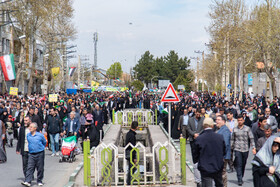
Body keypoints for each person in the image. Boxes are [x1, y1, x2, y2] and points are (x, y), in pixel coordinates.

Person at [193, 117, 225, 187]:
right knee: (219, 184)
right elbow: (224, 151)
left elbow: (195, 154)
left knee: (206, 184)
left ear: (203, 126)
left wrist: (198, 162)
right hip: (217, 166)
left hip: (205, 167)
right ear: (212, 126)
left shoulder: (199, 138)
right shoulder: (220, 137)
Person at [231, 114, 256, 186]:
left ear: (243, 120)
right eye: (238, 120)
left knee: (243, 163)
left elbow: (251, 138)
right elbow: (232, 139)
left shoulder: (247, 129)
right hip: (237, 148)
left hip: (245, 149)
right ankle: (239, 179)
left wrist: (253, 147)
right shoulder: (235, 129)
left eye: (241, 120)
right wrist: (231, 149)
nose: (239, 122)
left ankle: (241, 175)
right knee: (239, 163)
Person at [22, 122, 46, 187]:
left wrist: (40, 148)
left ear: (35, 128)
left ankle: (39, 180)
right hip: (31, 154)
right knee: (29, 167)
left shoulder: (40, 135)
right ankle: (28, 181)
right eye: (30, 127)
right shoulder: (28, 135)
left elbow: (44, 142)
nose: (30, 128)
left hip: (40, 153)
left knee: (40, 168)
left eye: (31, 127)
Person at [186, 108, 204, 186]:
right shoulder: (190, 120)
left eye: (199, 113)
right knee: (194, 155)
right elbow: (188, 128)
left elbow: (203, 128)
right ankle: (196, 169)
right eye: (197, 113)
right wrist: (194, 134)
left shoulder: (203, 120)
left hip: (200, 139)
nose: (198, 115)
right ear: (195, 113)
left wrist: (198, 134)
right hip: (192, 140)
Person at [216, 115, 231, 187]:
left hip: (223, 156)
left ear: (223, 121)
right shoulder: (220, 129)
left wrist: (222, 155)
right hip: (220, 155)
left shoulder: (225, 130)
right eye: (216, 120)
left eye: (219, 120)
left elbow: (226, 144)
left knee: (222, 173)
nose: (217, 121)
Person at [125, 121, 138, 185]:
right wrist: (134, 157)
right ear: (137, 127)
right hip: (130, 153)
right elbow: (133, 147)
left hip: (127, 152)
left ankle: (129, 180)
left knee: (131, 168)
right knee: (132, 168)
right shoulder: (132, 135)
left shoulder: (128, 133)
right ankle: (129, 182)